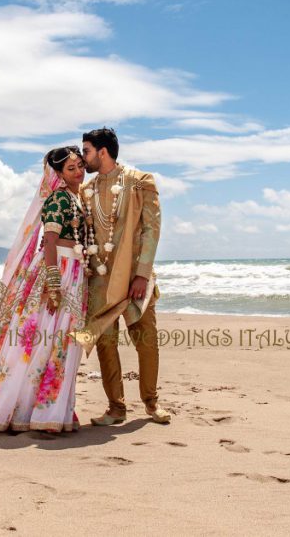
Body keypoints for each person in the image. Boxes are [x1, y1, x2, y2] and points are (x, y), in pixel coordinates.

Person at [0, 147, 90, 433]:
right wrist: (54, 284)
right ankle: (32, 411)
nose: (79, 172)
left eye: (81, 165)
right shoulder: (58, 198)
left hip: (73, 272)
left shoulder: (75, 197)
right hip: (56, 271)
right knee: (43, 341)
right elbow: (50, 242)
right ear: (58, 174)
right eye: (71, 168)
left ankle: (47, 411)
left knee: (59, 343)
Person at [79, 127, 171, 425]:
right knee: (105, 343)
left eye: (87, 151)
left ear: (102, 152)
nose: (84, 158)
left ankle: (151, 403)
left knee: (146, 340)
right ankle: (116, 408)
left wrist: (142, 275)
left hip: (135, 279)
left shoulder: (140, 181)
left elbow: (151, 229)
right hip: (101, 282)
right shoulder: (86, 190)